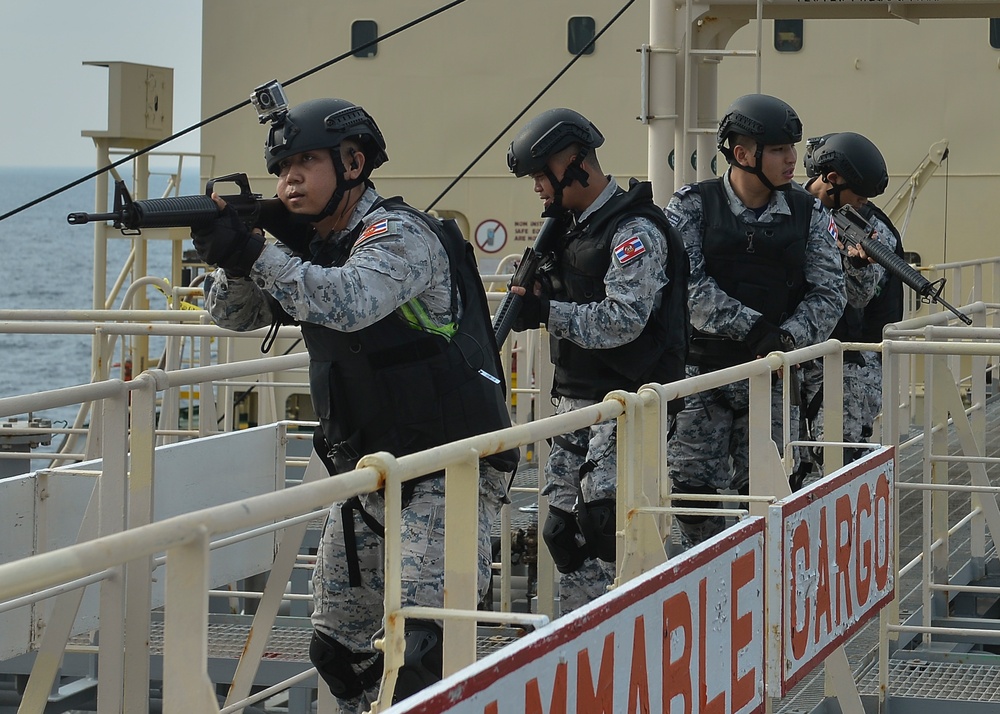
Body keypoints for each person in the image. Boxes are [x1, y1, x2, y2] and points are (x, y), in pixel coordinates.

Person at [190, 96, 519, 711]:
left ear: (354, 162)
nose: (289, 178)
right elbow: (233, 317)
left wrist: (258, 251)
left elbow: (350, 301)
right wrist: (232, 261)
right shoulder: (310, 243)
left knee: (426, 648)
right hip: (367, 470)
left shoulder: (399, 235)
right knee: (338, 650)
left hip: (446, 468)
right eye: (282, 166)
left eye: (306, 161)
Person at [506, 108, 689, 613]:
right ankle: (585, 628)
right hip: (576, 399)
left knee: (609, 525)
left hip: (627, 400)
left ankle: (637, 627)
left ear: (574, 162)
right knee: (564, 531)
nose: (539, 188)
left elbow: (623, 320)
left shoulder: (634, 230)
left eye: (543, 175)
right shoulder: (569, 228)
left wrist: (546, 311)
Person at [663, 94, 846, 548]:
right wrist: (751, 327)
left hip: (773, 378)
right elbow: (686, 286)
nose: (793, 159)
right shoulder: (691, 206)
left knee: (769, 497)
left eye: (792, 148)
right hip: (701, 377)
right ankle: (707, 578)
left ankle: (763, 591)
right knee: (691, 494)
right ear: (743, 154)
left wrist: (785, 339)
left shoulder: (808, 212)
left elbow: (830, 291)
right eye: (780, 149)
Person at [793, 132, 903, 486]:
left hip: (846, 358)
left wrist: (859, 266)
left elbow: (874, 309)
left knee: (840, 458)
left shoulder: (871, 230)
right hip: (789, 354)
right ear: (832, 179)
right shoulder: (788, 210)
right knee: (791, 466)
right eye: (858, 194)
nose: (863, 203)